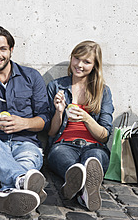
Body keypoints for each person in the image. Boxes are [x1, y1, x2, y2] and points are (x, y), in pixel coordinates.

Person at [0, 26, 50, 216]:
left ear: (11, 50)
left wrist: (25, 123)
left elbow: (45, 120)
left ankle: (10, 190)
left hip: (26, 144)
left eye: (3, 49)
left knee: (29, 162)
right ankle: (22, 182)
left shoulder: (31, 77)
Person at [46, 40, 114, 211]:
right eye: (77, 58)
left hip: (94, 146)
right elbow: (51, 131)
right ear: (71, 59)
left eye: (87, 61)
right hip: (63, 145)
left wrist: (86, 118)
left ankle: (80, 187)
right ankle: (85, 190)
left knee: (94, 160)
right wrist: (59, 112)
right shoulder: (56, 86)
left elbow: (104, 135)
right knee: (73, 168)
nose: (79, 65)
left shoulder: (103, 91)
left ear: (95, 65)